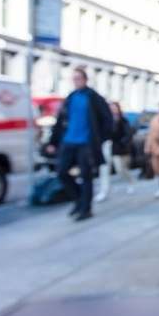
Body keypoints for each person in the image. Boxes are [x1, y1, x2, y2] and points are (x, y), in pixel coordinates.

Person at [46, 67, 113, 222]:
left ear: (85, 79)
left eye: (78, 78)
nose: (76, 81)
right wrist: (53, 142)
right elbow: (60, 121)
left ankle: (86, 208)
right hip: (69, 141)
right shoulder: (70, 97)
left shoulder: (94, 97)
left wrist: (99, 139)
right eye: (74, 78)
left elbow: (107, 120)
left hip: (86, 144)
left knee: (86, 176)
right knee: (61, 172)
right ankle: (78, 200)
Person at [95, 101, 135, 202]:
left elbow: (128, 134)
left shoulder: (122, 120)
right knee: (104, 169)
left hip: (117, 148)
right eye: (111, 107)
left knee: (120, 169)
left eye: (114, 107)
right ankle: (104, 191)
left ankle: (130, 181)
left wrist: (122, 143)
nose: (113, 109)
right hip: (106, 145)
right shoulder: (105, 119)